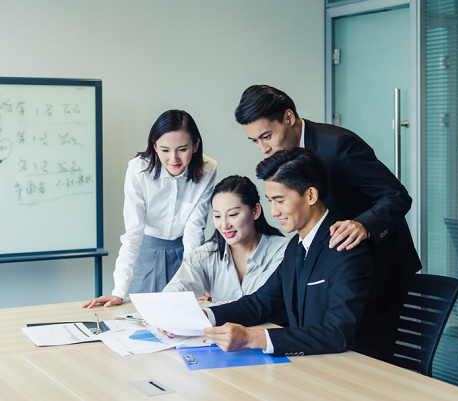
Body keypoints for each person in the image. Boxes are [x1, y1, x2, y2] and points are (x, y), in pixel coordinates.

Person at [233, 84, 422, 362]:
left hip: (379, 263)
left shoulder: (338, 146)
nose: (263, 148)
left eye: (266, 136)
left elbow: (396, 195)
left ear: (288, 117)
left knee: (372, 358)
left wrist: (363, 225)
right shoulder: (285, 160)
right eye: (255, 141)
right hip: (335, 261)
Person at [203, 148, 374, 356]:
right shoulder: (296, 247)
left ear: (310, 195)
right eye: (270, 201)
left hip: (348, 370)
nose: (274, 212)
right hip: (309, 364)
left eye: (280, 200)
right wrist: (205, 315)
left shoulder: (345, 247)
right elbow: (261, 302)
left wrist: (254, 338)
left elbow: (337, 332)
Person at [82, 110, 217, 309]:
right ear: (154, 146)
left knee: (188, 315)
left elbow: (194, 232)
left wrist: (196, 282)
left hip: (186, 253)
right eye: (164, 150)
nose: (174, 159)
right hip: (146, 252)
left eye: (182, 149)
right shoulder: (138, 170)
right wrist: (118, 291)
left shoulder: (208, 169)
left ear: (196, 145)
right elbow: (133, 234)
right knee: (141, 319)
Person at [163, 175, 289, 305]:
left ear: (256, 211)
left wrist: (208, 307)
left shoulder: (283, 252)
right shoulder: (205, 255)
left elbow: (261, 305)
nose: (224, 225)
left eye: (233, 215)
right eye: (217, 216)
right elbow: (173, 293)